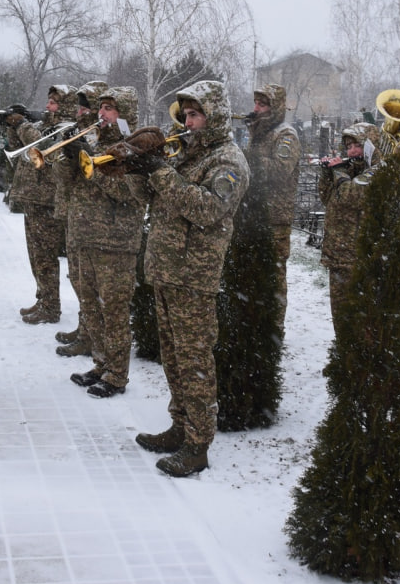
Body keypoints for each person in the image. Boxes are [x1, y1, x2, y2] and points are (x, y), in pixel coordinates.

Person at [126, 81, 250, 477]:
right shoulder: (185, 153)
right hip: (166, 269)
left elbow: (207, 209)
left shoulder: (227, 160)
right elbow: (151, 198)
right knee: (174, 357)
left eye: (195, 115)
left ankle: (198, 444)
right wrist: (136, 168)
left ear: (212, 116)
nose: (187, 121)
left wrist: (160, 172)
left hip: (193, 275)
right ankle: (179, 426)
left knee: (195, 361)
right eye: (186, 114)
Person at [57, 87, 145, 397]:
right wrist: (68, 157)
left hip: (116, 242)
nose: (102, 114)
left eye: (110, 109)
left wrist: (92, 165)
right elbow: (66, 182)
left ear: (125, 114)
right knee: (90, 306)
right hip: (85, 236)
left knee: (114, 312)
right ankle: (100, 362)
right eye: (102, 107)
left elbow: (127, 193)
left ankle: (117, 375)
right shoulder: (93, 140)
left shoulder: (134, 148)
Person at [238, 84, 302, 331]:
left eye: (262, 104)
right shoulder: (260, 132)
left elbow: (279, 170)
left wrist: (246, 158)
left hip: (275, 217)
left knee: (274, 277)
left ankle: (274, 328)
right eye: (255, 103)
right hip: (254, 215)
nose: (256, 108)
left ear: (274, 108)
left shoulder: (286, 135)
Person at [53, 81, 107, 356]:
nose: (80, 110)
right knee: (77, 277)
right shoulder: (80, 131)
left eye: (85, 106)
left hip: (94, 220)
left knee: (89, 284)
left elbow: (103, 176)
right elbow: (61, 176)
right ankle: (85, 328)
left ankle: (91, 335)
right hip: (77, 213)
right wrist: (67, 154)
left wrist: (87, 151)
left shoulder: (101, 135)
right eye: (79, 105)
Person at [9, 87, 70, 325]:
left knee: (45, 256)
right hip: (33, 198)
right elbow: (19, 147)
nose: (48, 106)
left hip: (47, 200)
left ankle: (51, 306)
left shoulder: (65, 127)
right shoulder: (45, 123)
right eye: (49, 102)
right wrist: (12, 125)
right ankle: (42, 297)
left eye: (53, 103)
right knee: (35, 254)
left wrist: (22, 124)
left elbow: (40, 148)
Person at [317, 122, 379, 352]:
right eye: (348, 146)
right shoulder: (350, 169)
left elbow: (351, 196)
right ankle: (345, 353)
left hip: (360, 258)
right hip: (339, 256)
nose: (351, 151)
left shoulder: (376, 170)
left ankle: (360, 357)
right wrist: (326, 173)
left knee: (362, 321)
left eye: (357, 145)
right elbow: (329, 199)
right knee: (341, 316)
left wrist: (338, 171)